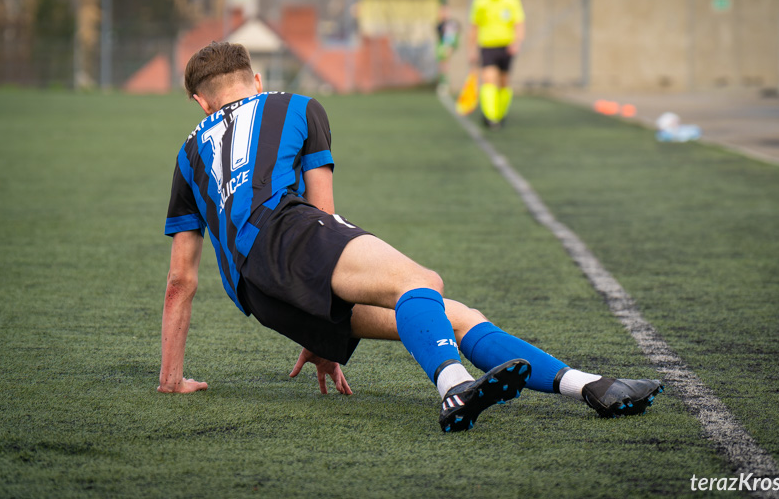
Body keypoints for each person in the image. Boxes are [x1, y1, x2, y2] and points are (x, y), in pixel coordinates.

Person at [158, 41, 663, 432]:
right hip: (293, 235)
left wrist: (172, 378)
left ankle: (592, 387)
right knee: (421, 281)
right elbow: (323, 214)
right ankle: (454, 386)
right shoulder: (297, 106)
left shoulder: (188, 155)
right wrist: (319, 286)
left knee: (455, 316)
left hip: (259, 299)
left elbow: (181, 279)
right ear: (257, 79)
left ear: (200, 102)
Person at [468, 0, 525, 128]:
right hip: (487, 46)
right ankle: (491, 117)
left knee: (504, 82)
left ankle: (500, 113)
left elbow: (519, 24)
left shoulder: (512, 1)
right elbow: (474, 27)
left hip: (506, 47)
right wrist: (471, 49)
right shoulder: (480, 1)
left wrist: (517, 42)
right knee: (488, 79)